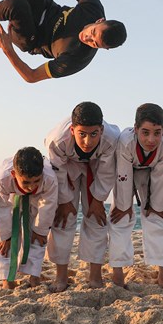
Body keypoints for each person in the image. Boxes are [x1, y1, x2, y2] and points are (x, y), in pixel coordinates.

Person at [44, 102, 119, 291]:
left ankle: (95, 277)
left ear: (101, 130)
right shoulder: (57, 140)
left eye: (94, 134)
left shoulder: (112, 139)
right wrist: (65, 201)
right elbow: (57, 171)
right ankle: (61, 277)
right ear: (72, 130)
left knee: (96, 218)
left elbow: (107, 172)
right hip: (67, 167)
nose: (88, 141)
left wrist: (98, 201)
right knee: (64, 218)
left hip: (95, 169)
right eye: (82, 134)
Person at [110, 103, 163, 288]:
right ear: (135, 129)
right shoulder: (126, 141)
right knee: (120, 217)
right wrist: (124, 206)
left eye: (157, 132)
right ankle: (118, 273)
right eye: (145, 132)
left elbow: (162, 177)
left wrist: (155, 206)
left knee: (157, 217)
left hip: (152, 172)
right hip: (126, 172)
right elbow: (123, 174)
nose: (151, 139)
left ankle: (162, 273)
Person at [0, 147, 59, 288]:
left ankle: (34, 275)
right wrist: (7, 236)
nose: (31, 186)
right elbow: (0, 208)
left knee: (37, 237)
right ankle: (7, 278)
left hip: (39, 197)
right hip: (12, 192)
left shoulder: (49, 178)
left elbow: (48, 206)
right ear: (13, 174)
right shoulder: (3, 179)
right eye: (27, 182)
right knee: (5, 239)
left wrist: (40, 230)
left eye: (36, 181)